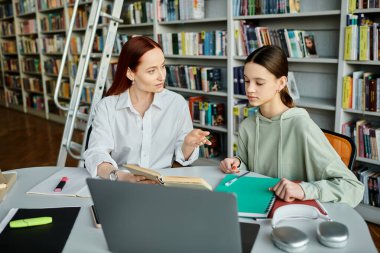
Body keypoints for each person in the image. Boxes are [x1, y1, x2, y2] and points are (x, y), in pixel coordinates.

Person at [219, 45, 364, 207]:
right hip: (256, 207)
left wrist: (303, 189)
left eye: (259, 83)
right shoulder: (247, 125)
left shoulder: (302, 126)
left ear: (281, 83)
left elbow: (354, 187)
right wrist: (237, 164)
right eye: (246, 81)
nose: (250, 89)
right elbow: (249, 166)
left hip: (293, 214)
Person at [84, 36, 211, 183]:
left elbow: (182, 158)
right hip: (122, 184)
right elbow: (96, 153)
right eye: (151, 71)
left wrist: (188, 145)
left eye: (163, 66)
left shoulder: (177, 103)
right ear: (131, 73)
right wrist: (120, 176)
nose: (162, 76)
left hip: (162, 185)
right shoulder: (107, 107)